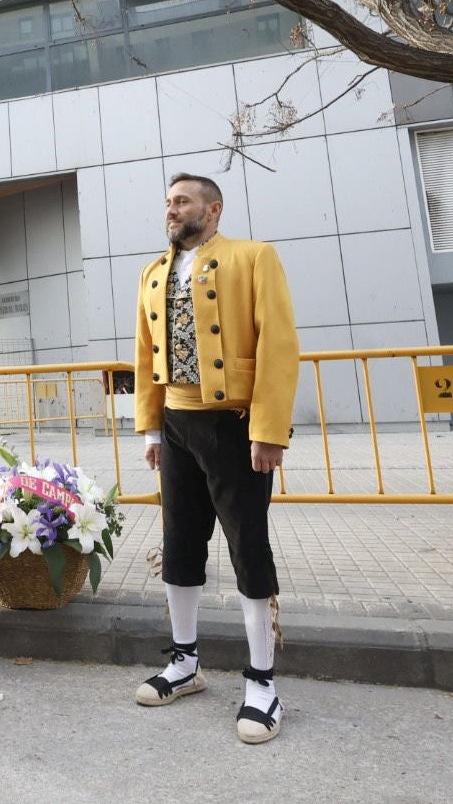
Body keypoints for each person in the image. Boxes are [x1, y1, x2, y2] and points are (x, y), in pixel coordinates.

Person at [131, 173, 300, 745]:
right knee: (180, 541)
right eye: (168, 203)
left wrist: (270, 429)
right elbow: (144, 352)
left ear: (214, 208)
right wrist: (150, 426)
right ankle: (185, 661)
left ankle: (262, 682)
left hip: (235, 425)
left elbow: (279, 343)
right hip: (176, 424)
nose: (171, 211)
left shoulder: (253, 257)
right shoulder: (153, 271)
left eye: (181, 202)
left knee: (248, 544)